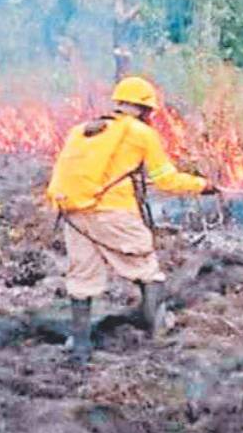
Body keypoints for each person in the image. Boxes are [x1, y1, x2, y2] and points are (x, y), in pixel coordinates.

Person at [46, 76, 217, 364]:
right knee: (147, 271)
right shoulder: (140, 132)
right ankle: (158, 333)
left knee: (82, 278)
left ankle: (80, 347)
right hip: (113, 213)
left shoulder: (82, 130)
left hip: (72, 214)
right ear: (145, 109)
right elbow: (165, 179)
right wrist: (203, 186)